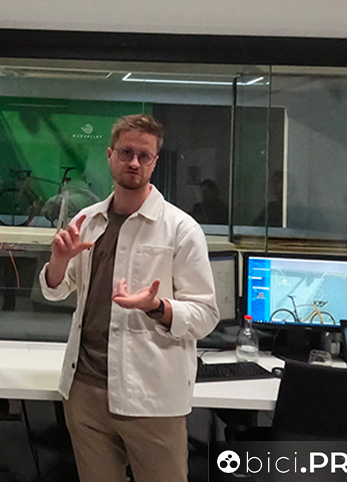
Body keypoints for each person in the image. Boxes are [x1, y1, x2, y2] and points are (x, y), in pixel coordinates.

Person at [40, 114, 218, 482]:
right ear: (110, 155)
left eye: (144, 155)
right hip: (85, 391)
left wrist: (157, 307)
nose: (134, 162)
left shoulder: (181, 229)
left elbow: (205, 315)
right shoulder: (88, 221)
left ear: (155, 162)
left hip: (150, 396)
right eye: (126, 152)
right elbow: (55, 289)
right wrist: (58, 261)